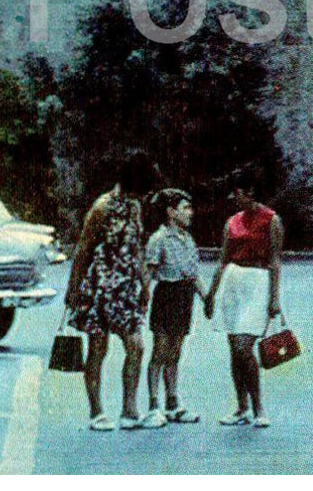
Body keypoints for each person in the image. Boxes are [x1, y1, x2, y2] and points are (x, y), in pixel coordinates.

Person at [65, 155, 162, 431]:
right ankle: (96, 411)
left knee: (136, 346)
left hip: (126, 288)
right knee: (98, 348)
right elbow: (83, 250)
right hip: (100, 287)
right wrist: (73, 290)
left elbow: (137, 247)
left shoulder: (134, 206)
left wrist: (144, 283)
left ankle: (129, 410)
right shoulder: (102, 207)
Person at [204, 180, 282, 428]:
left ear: (251, 192)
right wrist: (211, 294)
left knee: (243, 347)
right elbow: (223, 259)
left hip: (258, 282)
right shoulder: (232, 221)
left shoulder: (271, 220)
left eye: (238, 193)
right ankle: (241, 407)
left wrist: (274, 298)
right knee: (234, 350)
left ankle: (258, 407)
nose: (234, 198)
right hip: (233, 283)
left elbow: (275, 260)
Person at [144, 189, 207, 424]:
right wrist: (142, 298)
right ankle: (153, 405)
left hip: (184, 296)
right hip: (166, 295)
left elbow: (193, 274)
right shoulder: (159, 238)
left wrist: (206, 298)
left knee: (175, 352)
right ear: (171, 212)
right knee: (160, 350)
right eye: (185, 208)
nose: (190, 213)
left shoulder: (188, 239)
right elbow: (149, 272)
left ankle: (173, 402)